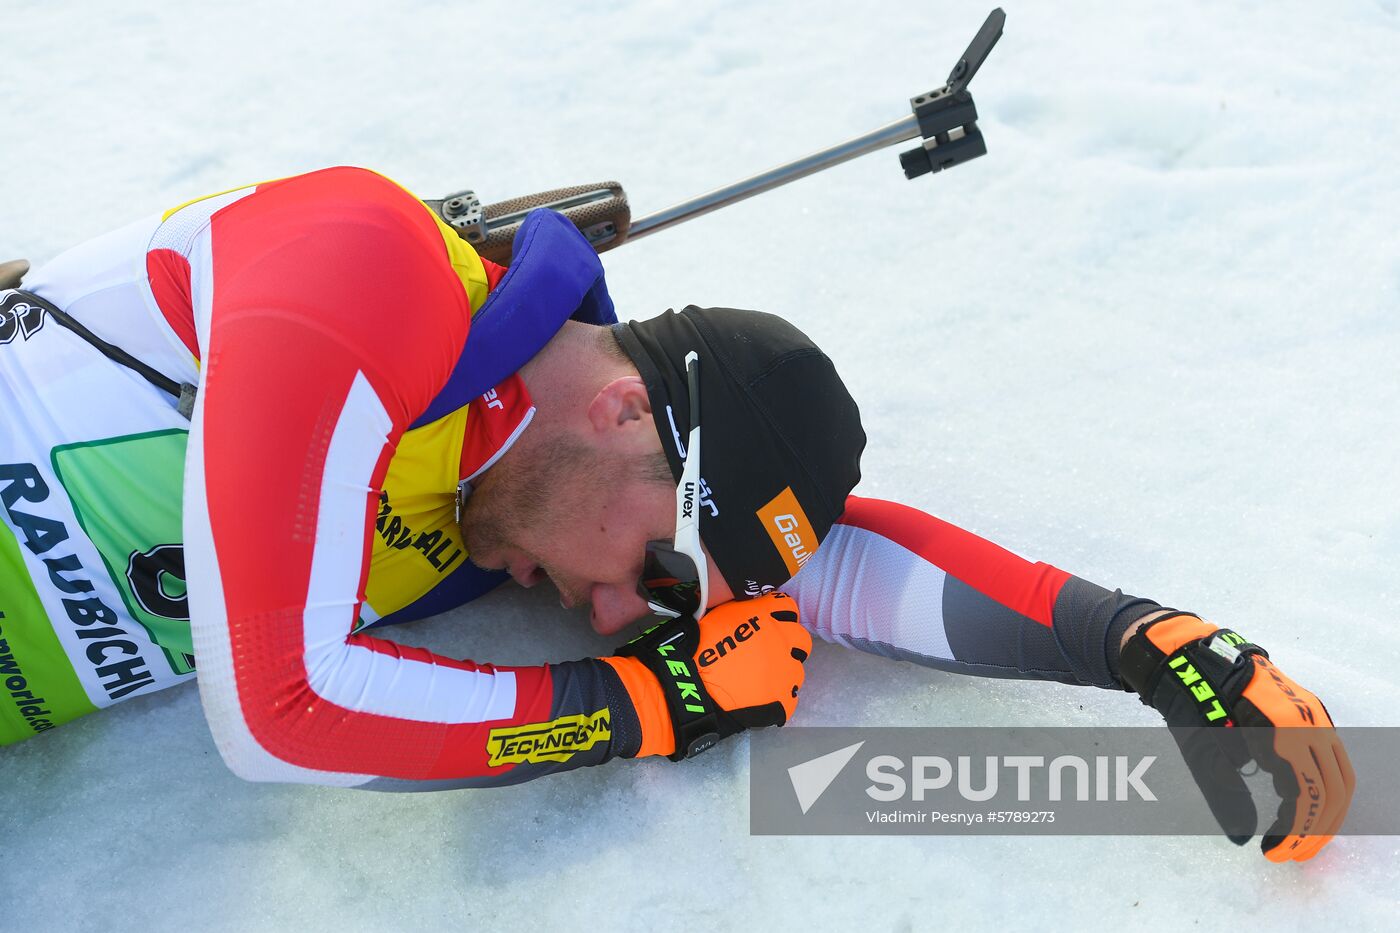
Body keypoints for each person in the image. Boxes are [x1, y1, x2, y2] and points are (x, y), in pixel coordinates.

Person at [0, 166, 1351, 860]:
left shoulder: (515, 483)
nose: (608, 612)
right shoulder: (371, 275)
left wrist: (1138, 641)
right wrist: (648, 705)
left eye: (651, 609)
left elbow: (831, 571)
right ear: (625, 415)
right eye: (656, 575)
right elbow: (280, 712)